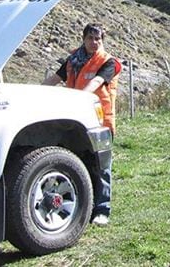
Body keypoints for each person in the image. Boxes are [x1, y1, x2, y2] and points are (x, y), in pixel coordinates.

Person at [44, 23, 121, 226]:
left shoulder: (109, 62)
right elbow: (55, 78)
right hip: (74, 122)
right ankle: (79, 207)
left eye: (98, 39)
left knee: (100, 167)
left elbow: (96, 82)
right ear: (83, 39)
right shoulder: (73, 61)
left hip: (100, 121)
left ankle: (102, 210)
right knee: (76, 164)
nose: (94, 43)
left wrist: (77, 98)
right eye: (90, 38)